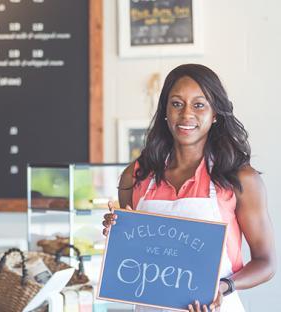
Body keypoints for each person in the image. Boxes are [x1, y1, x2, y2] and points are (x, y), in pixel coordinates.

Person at [102, 64, 276, 312]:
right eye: (176, 104)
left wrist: (224, 286)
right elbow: (135, 258)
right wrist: (118, 233)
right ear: (165, 111)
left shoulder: (241, 178)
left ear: (215, 113)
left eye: (199, 104)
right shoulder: (136, 176)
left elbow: (266, 263)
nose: (186, 115)